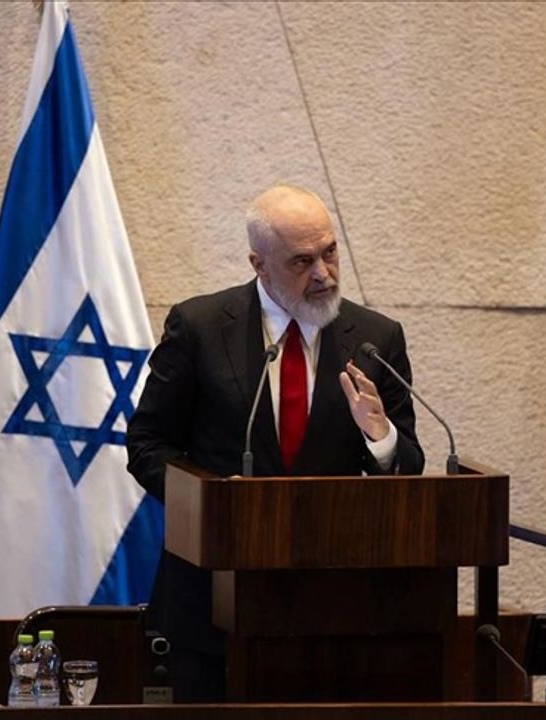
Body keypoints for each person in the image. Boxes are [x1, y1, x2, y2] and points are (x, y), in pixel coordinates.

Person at [126, 183, 425, 702]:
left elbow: (408, 466)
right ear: (258, 264)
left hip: (333, 606)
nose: (323, 274)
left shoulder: (375, 338)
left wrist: (381, 437)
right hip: (211, 599)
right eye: (302, 261)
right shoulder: (199, 327)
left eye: (330, 252)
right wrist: (212, 504)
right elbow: (148, 444)